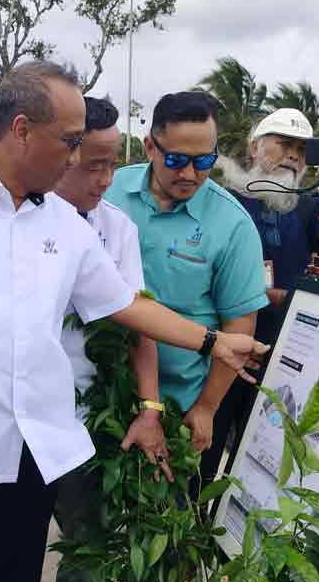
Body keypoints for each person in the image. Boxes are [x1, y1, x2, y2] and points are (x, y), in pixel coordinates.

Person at [0, 60, 268, 582]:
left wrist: (211, 340)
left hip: (32, 452)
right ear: (21, 130)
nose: (76, 160)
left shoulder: (65, 226)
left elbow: (124, 305)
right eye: (69, 143)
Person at [103, 91, 268, 489]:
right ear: (149, 147)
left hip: (180, 404)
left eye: (204, 162)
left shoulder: (232, 224)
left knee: (169, 517)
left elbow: (239, 327)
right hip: (103, 393)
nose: (190, 175)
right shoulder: (109, 193)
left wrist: (207, 408)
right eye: (176, 160)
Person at [45, 96, 166, 582]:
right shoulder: (19, 218)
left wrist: (149, 409)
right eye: (95, 164)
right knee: (15, 549)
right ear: (62, 153)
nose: (106, 178)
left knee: (86, 543)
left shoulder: (116, 229)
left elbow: (138, 320)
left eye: (113, 163)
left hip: (84, 419)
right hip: (12, 420)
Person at [223, 108, 319, 458]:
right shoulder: (226, 198)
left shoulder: (309, 206)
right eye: (283, 144)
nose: (293, 156)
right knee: (207, 445)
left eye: (302, 149)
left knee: (257, 452)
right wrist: (256, 296)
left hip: (283, 350)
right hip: (224, 347)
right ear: (255, 148)